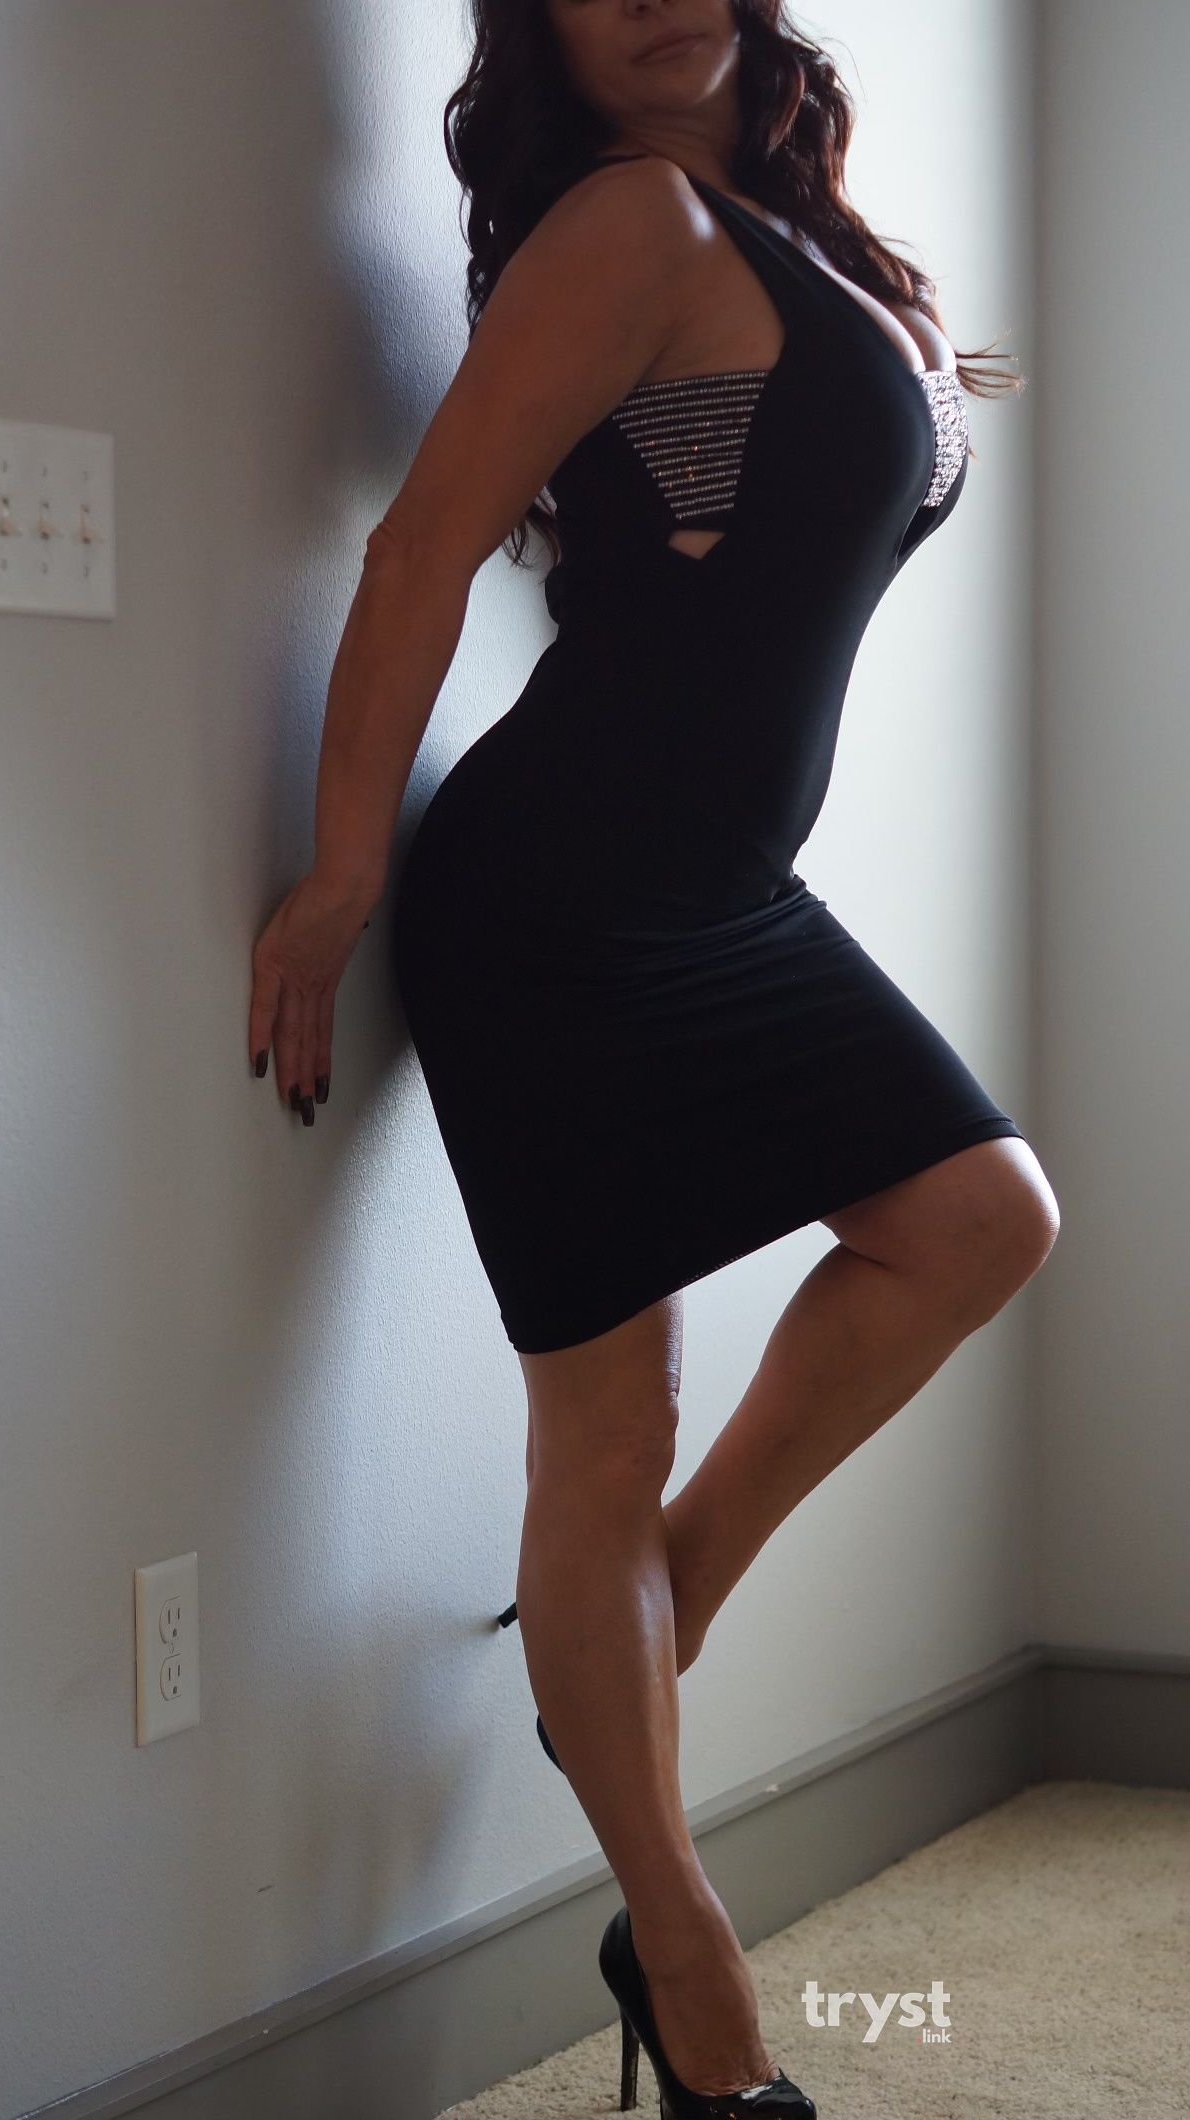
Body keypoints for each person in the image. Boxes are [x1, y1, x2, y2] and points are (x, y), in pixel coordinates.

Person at [248, 3, 1061, 2110]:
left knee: (981, 1216)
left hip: (716, 896)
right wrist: (344, 873)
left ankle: (646, 1616)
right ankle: (689, 1970)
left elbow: (788, 492)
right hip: (557, 903)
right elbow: (421, 543)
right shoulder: (626, 223)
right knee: (604, 1436)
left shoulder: (779, 240)